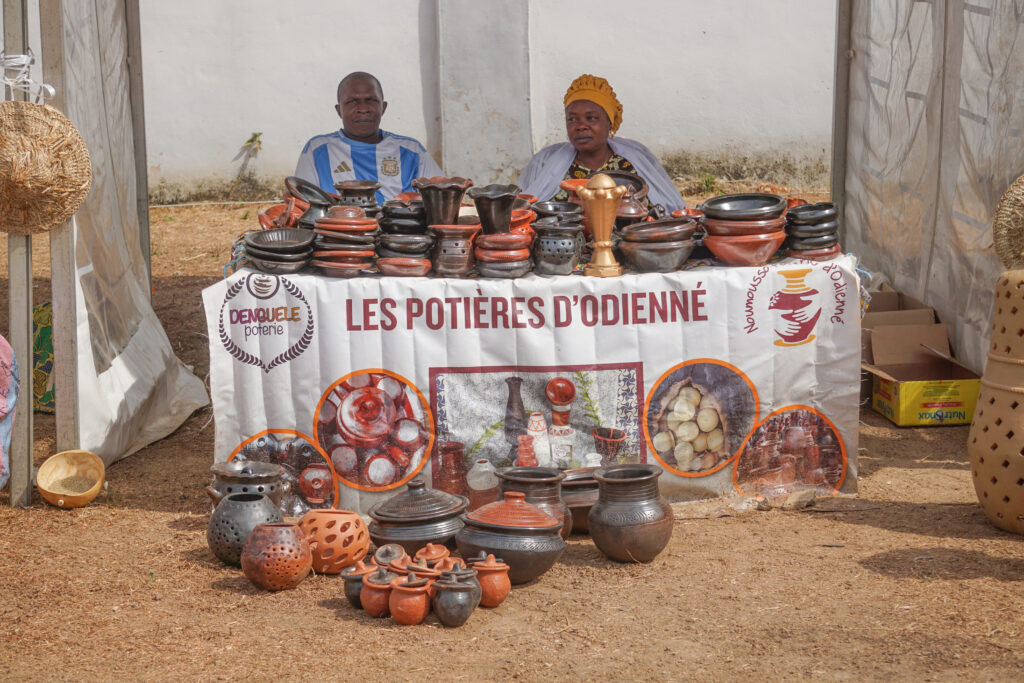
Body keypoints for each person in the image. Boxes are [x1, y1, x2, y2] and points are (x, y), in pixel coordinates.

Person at [518, 74, 686, 212]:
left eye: (591, 118)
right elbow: (522, 211)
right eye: (572, 119)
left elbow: (669, 211)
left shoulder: (633, 162)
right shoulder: (545, 163)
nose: (581, 126)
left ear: (610, 123)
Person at [295, 71, 442, 204]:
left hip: (401, 231)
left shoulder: (411, 150)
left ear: (383, 108)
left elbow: (441, 195)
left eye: (371, 100)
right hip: (337, 232)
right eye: (352, 101)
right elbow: (302, 203)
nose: (363, 109)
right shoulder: (317, 149)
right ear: (339, 110)